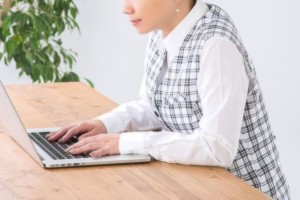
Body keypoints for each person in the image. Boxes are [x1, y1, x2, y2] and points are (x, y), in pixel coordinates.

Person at [47, 0, 290, 199]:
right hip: (197, 185)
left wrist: (126, 143)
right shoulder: (162, 32)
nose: (125, 8)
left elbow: (218, 148)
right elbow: (156, 105)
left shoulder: (216, 46)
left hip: (243, 191)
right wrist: (106, 124)